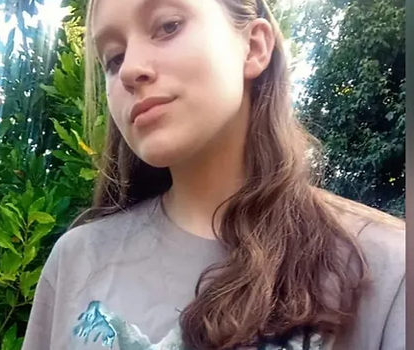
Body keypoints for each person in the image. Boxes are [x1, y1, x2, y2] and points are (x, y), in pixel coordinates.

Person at [21, 0, 405, 349]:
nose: (131, 71)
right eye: (114, 58)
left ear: (254, 47)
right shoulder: (76, 261)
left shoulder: (387, 269)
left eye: (168, 26)